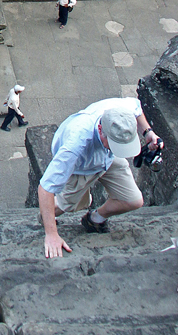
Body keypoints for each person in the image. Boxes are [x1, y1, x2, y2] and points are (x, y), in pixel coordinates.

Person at [38, 98, 163, 259]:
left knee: (134, 200)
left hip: (107, 159)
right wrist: (51, 234)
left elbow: (137, 107)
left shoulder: (121, 111)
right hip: (80, 166)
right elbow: (45, 188)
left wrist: (148, 132)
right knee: (68, 204)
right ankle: (46, 217)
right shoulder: (75, 145)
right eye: (115, 144)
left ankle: (94, 219)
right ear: (100, 129)